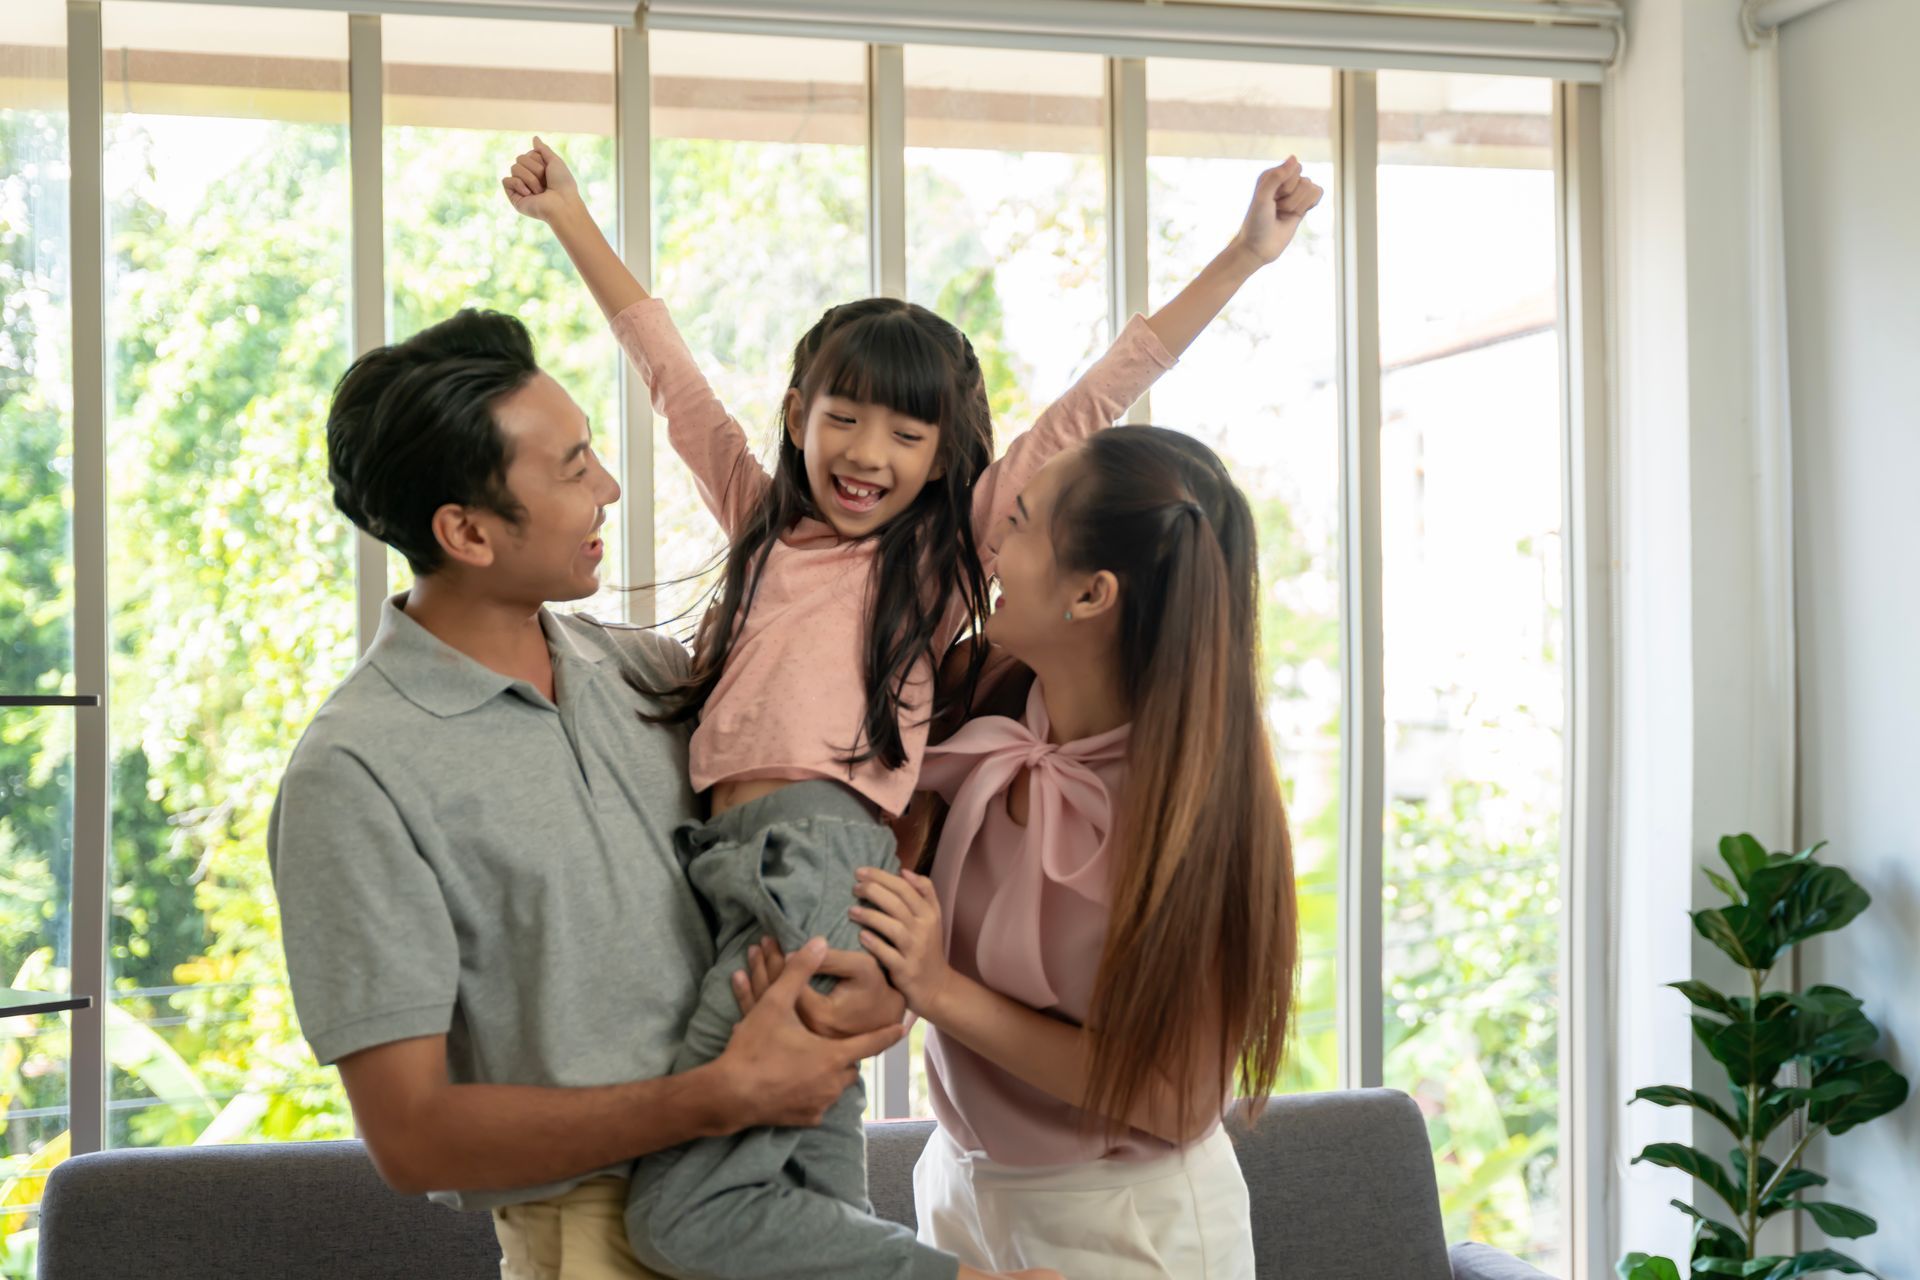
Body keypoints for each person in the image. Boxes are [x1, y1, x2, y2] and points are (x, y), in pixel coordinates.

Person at [501, 136, 1318, 1280]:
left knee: (688, 1210)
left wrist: (1242, 256)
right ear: (797, 412)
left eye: (907, 431)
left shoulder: (938, 559)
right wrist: (572, 218)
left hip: (818, 864)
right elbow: (671, 381)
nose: (866, 453)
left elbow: (1100, 397)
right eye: (843, 416)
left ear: (947, 459)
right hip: (731, 867)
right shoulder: (761, 529)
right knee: (806, 1190)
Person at [268, 307, 907, 1280]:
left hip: (783, 1207)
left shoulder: (655, 675)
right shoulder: (355, 772)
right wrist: (716, 1094)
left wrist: (878, 973)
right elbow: (415, 1136)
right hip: (592, 1243)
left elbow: (813, 837)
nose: (608, 486)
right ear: (467, 530)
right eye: (573, 469)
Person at [809, 423, 1315, 1278]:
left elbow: (1174, 1096)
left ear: (1091, 595)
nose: (994, 542)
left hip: (1123, 1225)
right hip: (961, 1182)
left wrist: (940, 989)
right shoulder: (983, 692)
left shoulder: (1185, 813)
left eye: (1024, 522)